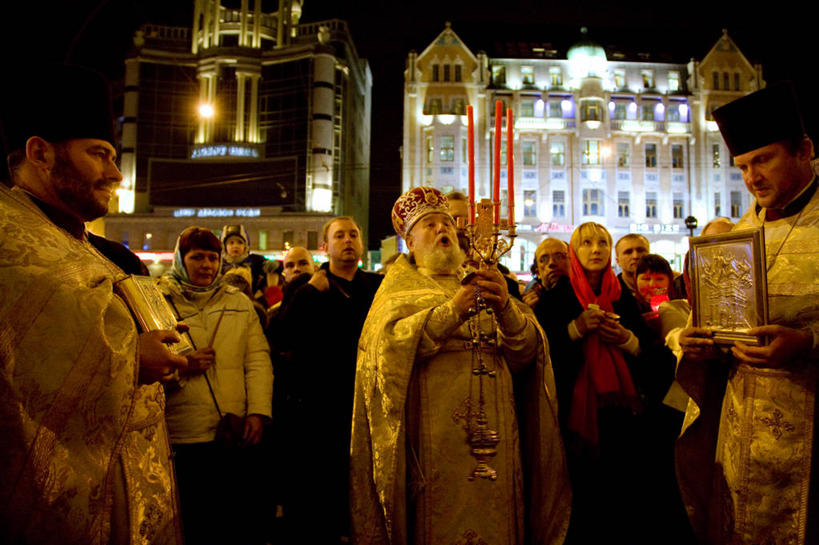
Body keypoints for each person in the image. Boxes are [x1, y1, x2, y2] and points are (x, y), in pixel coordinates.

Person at [0, 64, 186, 544]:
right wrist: (131, 357)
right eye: (99, 154)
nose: (115, 173)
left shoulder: (74, 238)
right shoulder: (10, 239)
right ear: (40, 152)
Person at [350, 187, 570, 545]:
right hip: (435, 444)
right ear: (409, 240)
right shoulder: (397, 290)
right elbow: (384, 353)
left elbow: (529, 353)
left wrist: (507, 311)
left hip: (499, 437)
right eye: (430, 225)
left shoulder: (484, 277)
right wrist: (452, 312)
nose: (443, 230)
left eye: (446, 224)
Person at [676, 82, 819, 545]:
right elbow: (720, 322)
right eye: (742, 166)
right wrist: (699, 344)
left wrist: (809, 342)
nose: (752, 177)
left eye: (763, 159)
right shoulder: (738, 235)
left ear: (804, 150)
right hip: (740, 430)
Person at [535, 222, 683, 545]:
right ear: (575, 251)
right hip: (577, 416)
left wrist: (626, 339)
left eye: (602, 242)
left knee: (624, 493)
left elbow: (649, 354)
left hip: (623, 417)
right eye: (587, 243)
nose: (596, 249)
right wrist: (576, 328)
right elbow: (543, 352)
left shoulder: (621, 297)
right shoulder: (557, 296)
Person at [159, 226, 273, 545]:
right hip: (182, 432)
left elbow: (258, 361)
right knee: (192, 521)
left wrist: (258, 413)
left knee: (232, 521)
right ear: (181, 260)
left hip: (232, 429)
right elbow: (146, 367)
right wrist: (184, 366)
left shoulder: (239, 302)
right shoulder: (159, 301)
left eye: (213, 257)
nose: (207, 265)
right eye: (197, 257)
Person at [277, 216, 382, 544]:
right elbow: (281, 337)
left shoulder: (377, 287)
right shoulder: (307, 289)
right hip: (320, 407)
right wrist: (310, 293)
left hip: (366, 401)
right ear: (325, 247)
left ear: (362, 244)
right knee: (323, 489)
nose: (348, 240)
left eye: (353, 234)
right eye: (340, 235)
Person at [221, 224, 268, 305]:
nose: (235, 246)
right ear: (224, 246)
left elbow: (275, 267)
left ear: (246, 246)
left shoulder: (255, 261)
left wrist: (273, 266)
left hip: (252, 300)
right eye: (231, 243)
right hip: (225, 302)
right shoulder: (220, 264)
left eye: (240, 242)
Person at [523, 237, 570, 309]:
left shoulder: (584, 296)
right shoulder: (532, 304)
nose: (551, 263)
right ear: (538, 272)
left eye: (559, 256)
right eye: (543, 260)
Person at [615, 233, 650, 304]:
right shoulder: (611, 292)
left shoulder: (665, 286)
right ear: (618, 261)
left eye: (641, 250)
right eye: (628, 252)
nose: (635, 256)